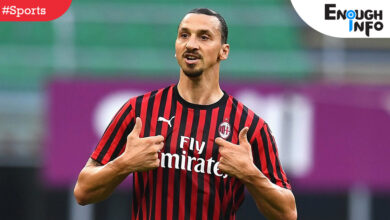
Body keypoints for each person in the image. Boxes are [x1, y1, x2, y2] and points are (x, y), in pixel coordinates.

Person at [74, 8, 297, 220]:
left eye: (204, 37)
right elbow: (83, 192)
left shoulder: (250, 127)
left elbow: (288, 213)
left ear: (224, 51)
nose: (191, 44)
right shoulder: (139, 111)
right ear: (176, 46)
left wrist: (250, 174)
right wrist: (124, 163)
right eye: (184, 35)